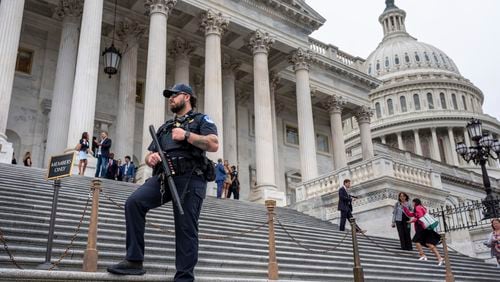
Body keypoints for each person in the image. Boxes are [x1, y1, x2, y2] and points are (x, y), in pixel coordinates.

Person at [107, 83, 219, 281]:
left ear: (186, 96)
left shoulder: (201, 120)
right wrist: (150, 158)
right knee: (134, 203)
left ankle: (184, 277)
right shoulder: (165, 127)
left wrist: (187, 135)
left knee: (186, 226)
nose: (170, 99)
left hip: (190, 178)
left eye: (174, 95)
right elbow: (151, 153)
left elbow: (213, 144)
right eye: (169, 96)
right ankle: (134, 260)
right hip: (164, 177)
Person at [403, 198, 444, 265]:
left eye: (413, 203)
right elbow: (410, 214)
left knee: (416, 240)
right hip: (425, 227)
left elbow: (420, 217)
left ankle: (422, 255)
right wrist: (404, 208)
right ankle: (439, 258)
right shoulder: (420, 208)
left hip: (421, 227)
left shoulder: (418, 207)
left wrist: (412, 221)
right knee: (429, 243)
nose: (412, 204)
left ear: (415, 202)